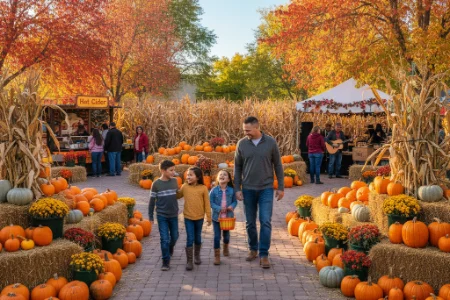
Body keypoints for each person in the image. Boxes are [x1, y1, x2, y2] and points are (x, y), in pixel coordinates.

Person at [234, 116, 284, 269]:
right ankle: (253, 249)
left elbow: (278, 165)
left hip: (266, 189)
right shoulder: (241, 144)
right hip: (248, 188)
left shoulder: (270, 142)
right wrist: (237, 188)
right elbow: (237, 167)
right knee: (250, 222)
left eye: (248, 130)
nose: (246, 133)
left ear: (257, 127)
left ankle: (264, 254)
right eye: (244, 130)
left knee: (265, 221)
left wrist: (281, 187)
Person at [177, 167, 211, 271]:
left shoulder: (203, 188)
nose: (188, 177)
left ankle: (197, 256)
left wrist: (208, 217)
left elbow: (207, 203)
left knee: (197, 237)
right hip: (188, 217)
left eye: (191, 175)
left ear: (198, 177)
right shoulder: (185, 186)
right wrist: (172, 187)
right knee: (190, 238)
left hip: (199, 217)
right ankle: (189, 261)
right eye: (187, 175)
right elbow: (178, 195)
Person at [148, 160, 179, 271]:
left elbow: (178, 194)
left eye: (174, 170)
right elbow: (151, 201)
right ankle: (165, 261)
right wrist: (151, 216)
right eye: (171, 170)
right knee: (164, 239)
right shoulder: (156, 184)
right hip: (162, 215)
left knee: (175, 236)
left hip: (174, 214)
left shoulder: (175, 181)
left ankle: (170, 247)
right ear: (163, 171)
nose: (173, 172)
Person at [209, 170, 238, 265]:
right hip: (217, 218)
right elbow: (211, 202)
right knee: (217, 237)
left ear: (228, 179)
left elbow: (235, 201)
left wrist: (232, 206)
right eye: (220, 174)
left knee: (226, 236)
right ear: (217, 178)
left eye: (225, 174)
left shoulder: (231, 190)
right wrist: (219, 208)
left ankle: (226, 247)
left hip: (227, 218)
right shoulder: (213, 190)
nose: (222, 175)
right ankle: (217, 256)